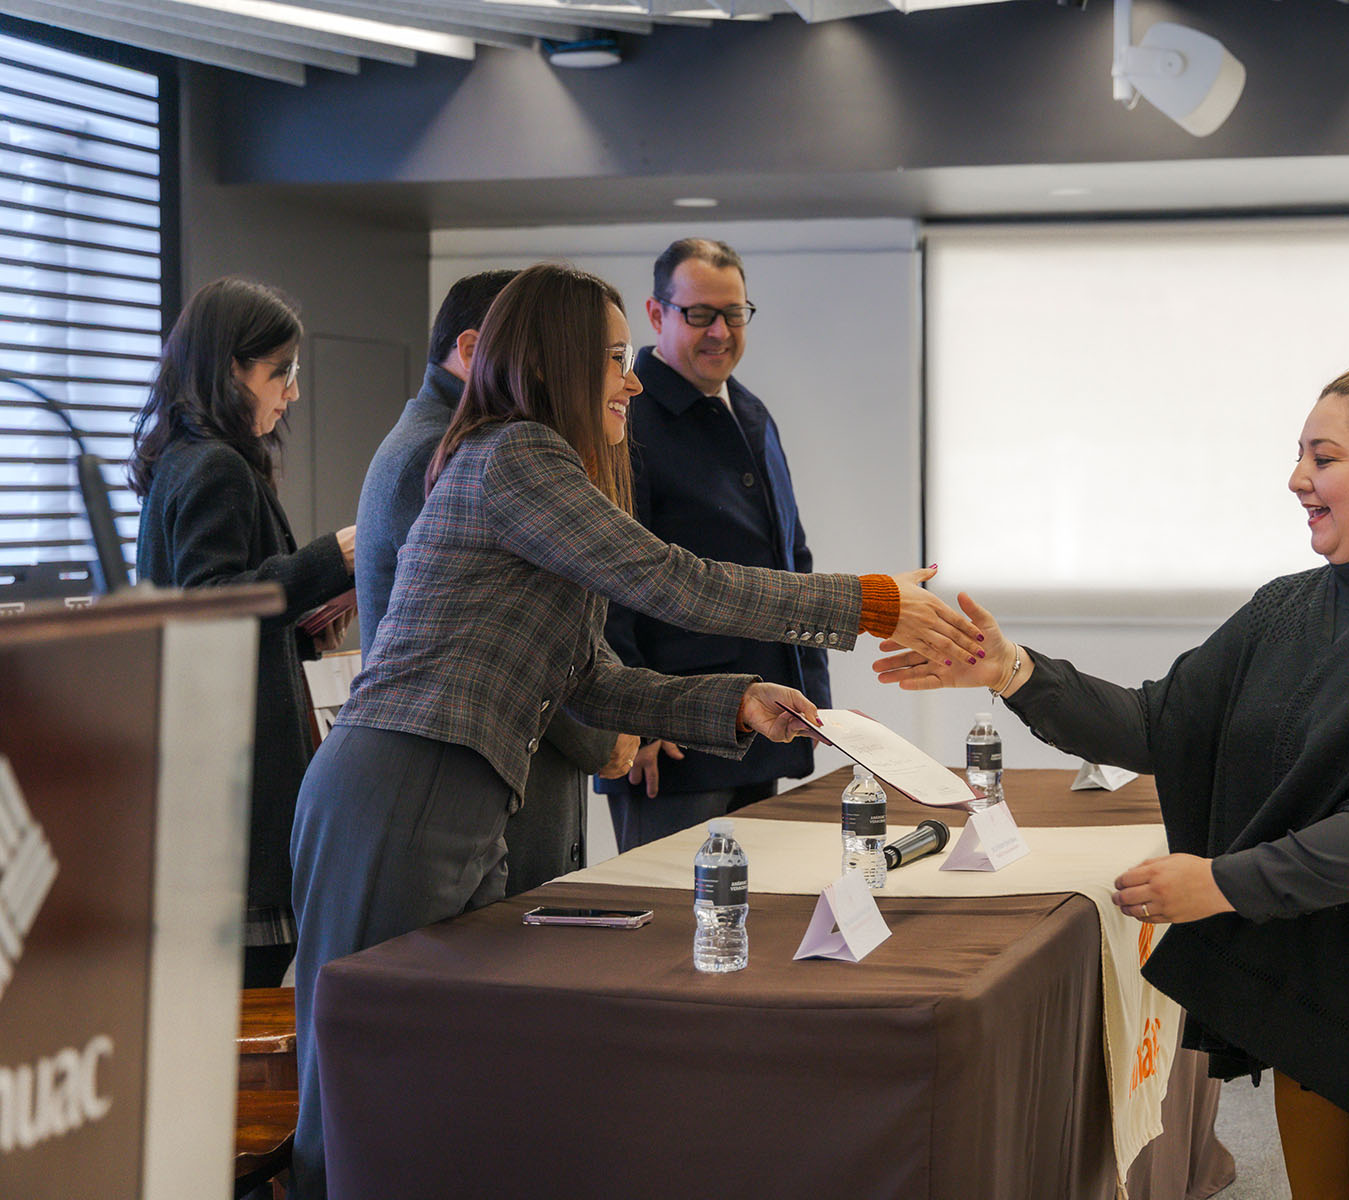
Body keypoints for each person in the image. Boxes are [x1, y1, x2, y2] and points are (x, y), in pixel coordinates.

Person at [288, 262, 983, 1200]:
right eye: (615, 359)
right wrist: (866, 603)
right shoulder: (515, 456)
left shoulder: (532, 465)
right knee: (369, 1077)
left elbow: (585, 677)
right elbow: (676, 581)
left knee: (440, 1072)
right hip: (404, 783)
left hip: (451, 788)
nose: (629, 381)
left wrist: (730, 700)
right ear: (559, 363)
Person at [875, 362, 1349, 1200]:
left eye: (1324, 456)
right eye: (1299, 454)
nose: (1297, 478)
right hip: (1324, 1006)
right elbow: (1157, 724)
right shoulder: (1288, 609)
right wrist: (1013, 670)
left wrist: (1221, 884)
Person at [356, 268, 625, 893]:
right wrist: (604, 735)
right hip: (463, 785)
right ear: (479, 351)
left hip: (491, 776)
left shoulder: (476, 442)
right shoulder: (449, 452)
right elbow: (502, 636)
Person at [129, 276, 356, 988]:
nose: (290, 393)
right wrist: (331, 558)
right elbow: (208, 602)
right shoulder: (217, 465)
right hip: (234, 772)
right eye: (278, 373)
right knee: (240, 988)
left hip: (211, 769)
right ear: (232, 369)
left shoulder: (187, 459)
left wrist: (306, 608)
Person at [602, 238, 826, 849]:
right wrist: (635, 722)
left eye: (733, 313)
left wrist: (815, 700)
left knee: (764, 918)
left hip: (765, 726)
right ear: (656, 315)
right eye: (700, 314)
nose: (720, 331)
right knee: (680, 927)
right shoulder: (626, 417)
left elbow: (791, 561)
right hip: (675, 741)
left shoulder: (750, 411)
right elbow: (608, 584)